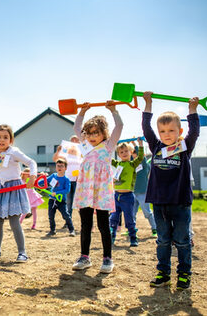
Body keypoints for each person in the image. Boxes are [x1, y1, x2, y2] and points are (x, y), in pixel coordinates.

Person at [142, 92, 200, 290]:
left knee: (183, 241)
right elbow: (146, 128)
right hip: (159, 203)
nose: (167, 134)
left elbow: (194, 132)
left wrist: (192, 111)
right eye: (163, 131)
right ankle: (163, 273)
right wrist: (148, 104)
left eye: (171, 130)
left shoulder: (185, 147)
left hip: (180, 202)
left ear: (179, 130)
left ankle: (184, 275)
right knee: (163, 241)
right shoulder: (156, 146)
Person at [71, 101, 123, 274]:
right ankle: (84, 257)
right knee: (85, 224)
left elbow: (119, 126)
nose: (92, 136)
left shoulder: (108, 146)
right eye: (90, 133)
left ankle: (107, 259)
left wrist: (114, 111)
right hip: (85, 190)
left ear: (103, 134)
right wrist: (82, 111)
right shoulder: (84, 145)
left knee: (103, 225)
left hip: (101, 191)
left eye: (96, 133)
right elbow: (77, 127)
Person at [0, 124, 37, 263]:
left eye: (6, 137)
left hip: (13, 188)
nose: (2, 140)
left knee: (14, 221)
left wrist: (32, 176)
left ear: (11, 140)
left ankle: (22, 252)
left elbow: (31, 162)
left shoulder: (14, 152)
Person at [109, 140, 143, 246]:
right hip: (116, 196)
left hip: (127, 197)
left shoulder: (133, 164)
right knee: (113, 217)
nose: (124, 153)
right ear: (118, 154)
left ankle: (133, 237)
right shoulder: (117, 163)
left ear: (130, 152)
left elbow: (140, 158)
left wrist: (140, 145)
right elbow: (108, 159)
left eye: (126, 151)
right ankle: (112, 236)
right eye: (121, 152)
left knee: (129, 219)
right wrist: (108, 147)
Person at [52, 135, 81, 229]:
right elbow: (55, 159)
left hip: (78, 181)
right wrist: (58, 151)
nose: (74, 142)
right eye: (72, 141)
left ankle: (84, 223)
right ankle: (68, 222)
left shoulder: (81, 154)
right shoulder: (65, 155)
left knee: (80, 202)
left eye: (76, 140)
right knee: (68, 202)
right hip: (67, 181)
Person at [130, 144, 157, 237]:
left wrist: (135, 145)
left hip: (142, 192)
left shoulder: (144, 164)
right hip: (133, 192)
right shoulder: (132, 164)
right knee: (132, 213)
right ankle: (132, 230)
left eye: (134, 153)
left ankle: (154, 229)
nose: (133, 155)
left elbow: (141, 155)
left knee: (147, 212)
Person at [45, 158, 75, 236]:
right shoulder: (53, 176)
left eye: (62, 166)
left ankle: (71, 230)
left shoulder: (66, 179)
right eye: (58, 166)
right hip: (52, 200)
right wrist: (36, 182)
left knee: (66, 215)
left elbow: (67, 190)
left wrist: (57, 193)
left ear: (65, 168)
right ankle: (52, 230)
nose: (59, 167)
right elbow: (45, 181)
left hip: (61, 201)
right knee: (51, 216)